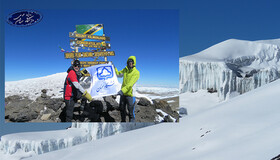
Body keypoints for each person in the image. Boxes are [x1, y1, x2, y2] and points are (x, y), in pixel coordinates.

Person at [115, 56, 140, 122]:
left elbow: (130, 84)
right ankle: (123, 124)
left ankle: (131, 127)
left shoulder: (136, 72)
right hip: (123, 94)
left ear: (134, 63)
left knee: (131, 113)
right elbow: (118, 74)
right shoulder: (125, 70)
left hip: (130, 95)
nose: (130, 63)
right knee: (122, 110)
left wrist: (122, 91)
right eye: (129, 62)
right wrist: (114, 68)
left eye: (132, 62)